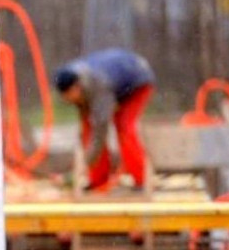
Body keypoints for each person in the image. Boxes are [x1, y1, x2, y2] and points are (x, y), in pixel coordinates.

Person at [52, 48, 155, 191]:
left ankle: (141, 180)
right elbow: (88, 128)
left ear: (76, 87)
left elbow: (100, 131)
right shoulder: (73, 80)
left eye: (70, 95)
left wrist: (84, 165)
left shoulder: (99, 87)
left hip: (137, 81)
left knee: (124, 127)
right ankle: (98, 180)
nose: (68, 100)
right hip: (112, 83)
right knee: (88, 130)